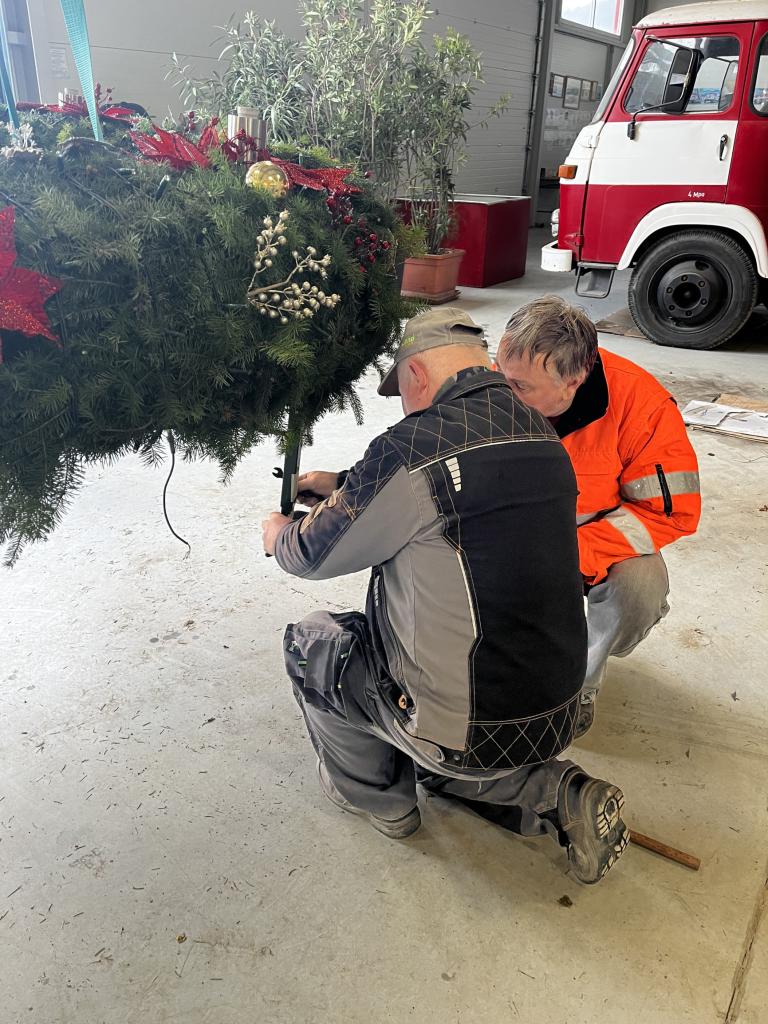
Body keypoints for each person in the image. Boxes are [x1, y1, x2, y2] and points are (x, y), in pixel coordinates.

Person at [262, 307, 628, 884]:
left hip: (466, 729)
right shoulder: (540, 431)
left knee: (316, 644)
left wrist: (278, 534)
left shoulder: (410, 446)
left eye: (402, 393)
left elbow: (310, 555)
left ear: (416, 375)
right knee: (460, 730)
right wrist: (341, 486)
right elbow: (455, 485)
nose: (405, 407)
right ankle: (559, 790)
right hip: (556, 710)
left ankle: (385, 803)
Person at [496, 295, 701, 736]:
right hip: (504, 535)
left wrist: (568, 557)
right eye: (500, 371)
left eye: (520, 386)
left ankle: (578, 686)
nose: (500, 392)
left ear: (573, 381)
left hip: (589, 541)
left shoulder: (642, 407)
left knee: (638, 591)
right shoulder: (495, 387)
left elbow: (668, 514)